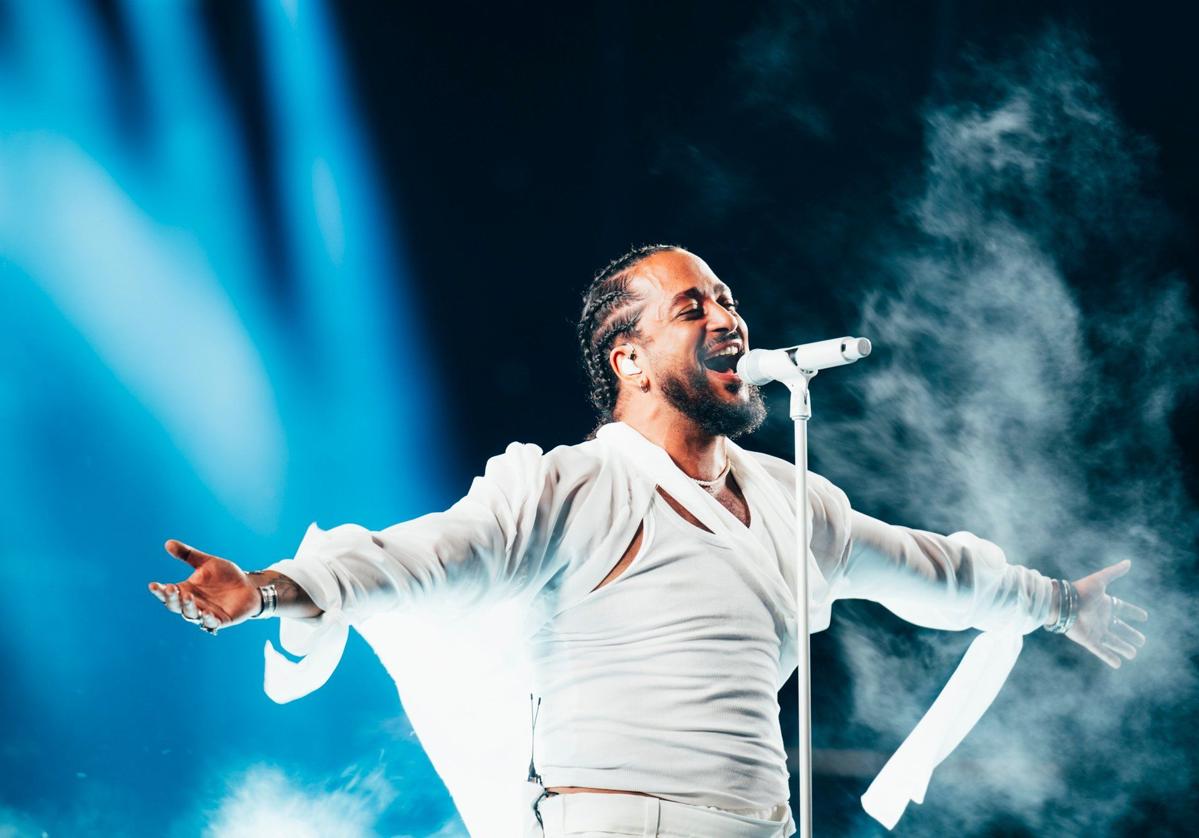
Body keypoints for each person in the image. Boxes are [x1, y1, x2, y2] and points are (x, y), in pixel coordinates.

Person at [148, 245, 1148, 837]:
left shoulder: (796, 503)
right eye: (692, 306)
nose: (728, 318)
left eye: (729, 302)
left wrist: (1052, 601)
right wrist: (269, 589)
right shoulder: (572, 485)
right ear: (627, 356)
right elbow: (418, 559)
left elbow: (937, 573)